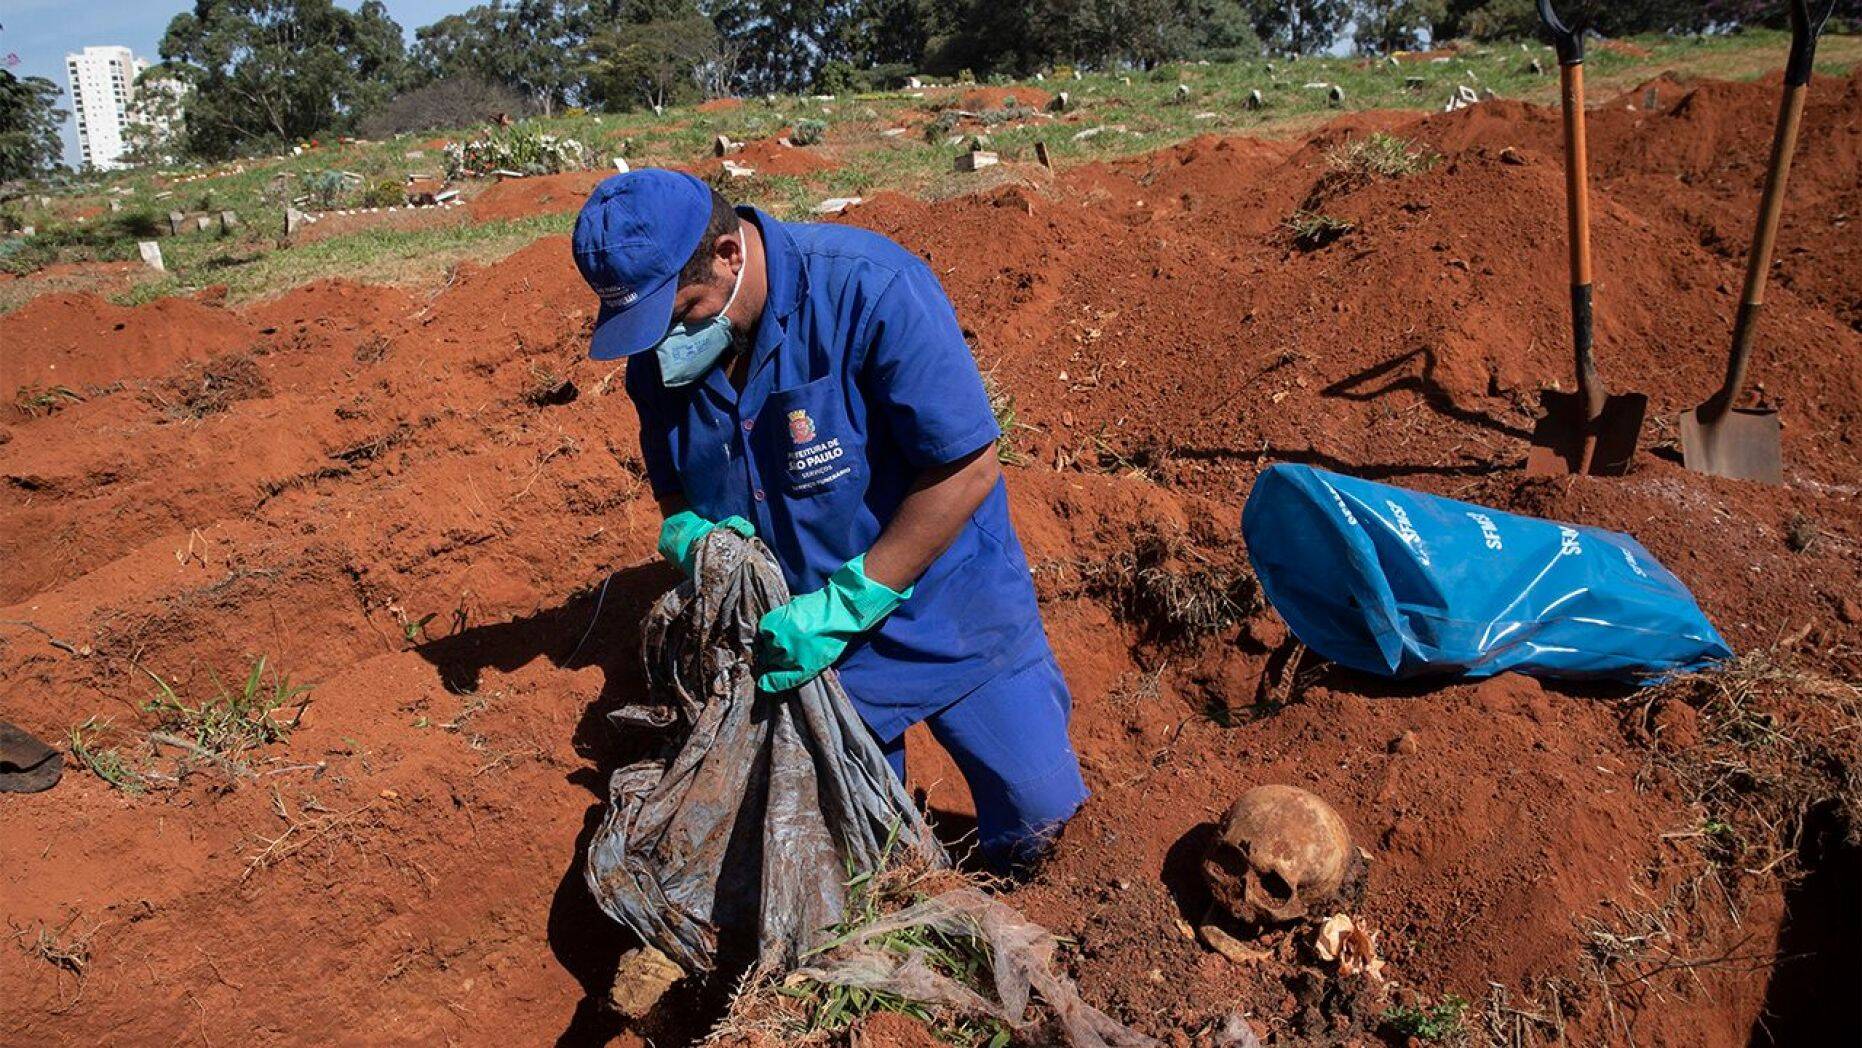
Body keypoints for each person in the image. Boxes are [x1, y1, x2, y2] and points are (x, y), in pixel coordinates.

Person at [572, 170, 1086, 867]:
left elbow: (968, 467)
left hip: (949, 611)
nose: (667, 334)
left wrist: (850, 601)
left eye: (682, 307)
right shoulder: (662, 357)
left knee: (1048, 833)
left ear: (730, 254)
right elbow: (676, 487)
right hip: (807, 656)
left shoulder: (870, 287)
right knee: (860, 867)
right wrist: (690, 534)